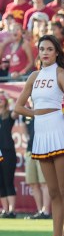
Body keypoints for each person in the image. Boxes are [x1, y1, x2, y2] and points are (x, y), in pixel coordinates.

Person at [14, 35, 64, 236]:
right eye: (41, 49)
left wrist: (59, 115)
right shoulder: (34, 76)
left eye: (49, 49)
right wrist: (37, 113)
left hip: (58, 131)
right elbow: (18, 106)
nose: (45, 52)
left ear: (57, 52)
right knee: (52, 192)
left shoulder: (61, 74)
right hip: (41, 133)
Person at [24, 115, 51, 220]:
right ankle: (40, 211)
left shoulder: (42, 111)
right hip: (30, 150)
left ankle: (46, 211)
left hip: (42, 149)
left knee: (44, 182)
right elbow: (26, 132)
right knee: (33, 183)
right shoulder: (26, 115)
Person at [0, 91, 18, 219]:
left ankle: (12, 210)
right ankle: (5, 210)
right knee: (0, 182)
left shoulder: (9, 116)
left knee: (8, 180)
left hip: (7, 151)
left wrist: (7, 96)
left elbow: (16, 110)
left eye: (1, 99)